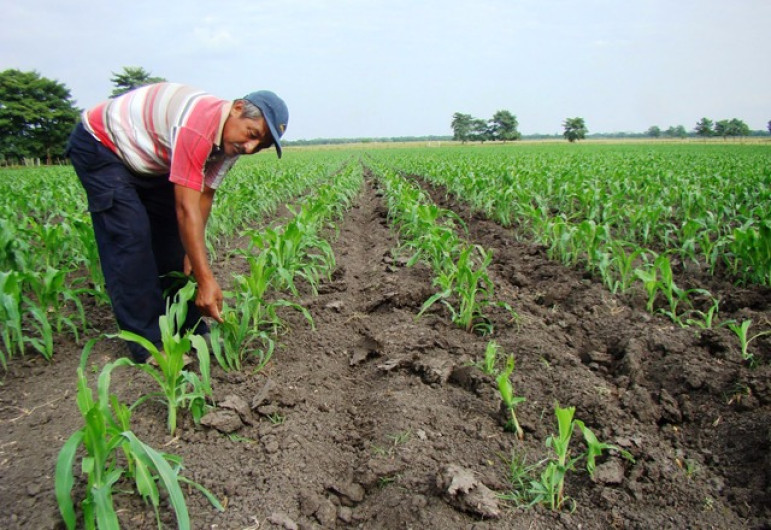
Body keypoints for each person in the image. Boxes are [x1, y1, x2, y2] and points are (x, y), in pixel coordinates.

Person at [66, 82, 288, 362]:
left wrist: (190, 254)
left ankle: (187, 324)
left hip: (150, 160)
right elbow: (186, 208)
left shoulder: (231, 145)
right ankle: (149, 344)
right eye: (252, 134)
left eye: (261, 145)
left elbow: (204, 194)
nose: (250, 146)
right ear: (237, 108)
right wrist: (206, 279)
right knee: (130, 240)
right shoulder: (198, 125)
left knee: (173, 245)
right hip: (103, 147)